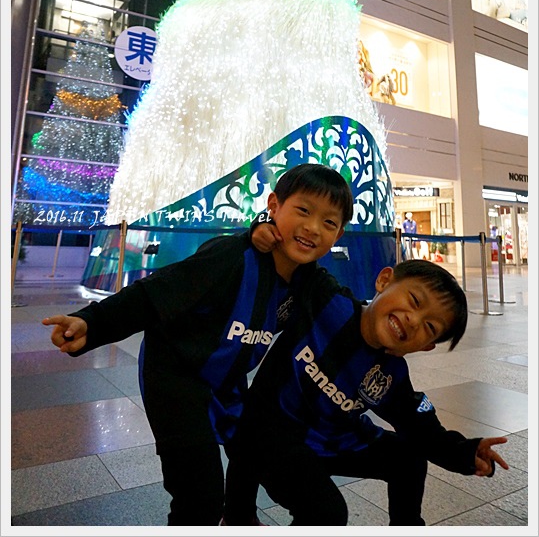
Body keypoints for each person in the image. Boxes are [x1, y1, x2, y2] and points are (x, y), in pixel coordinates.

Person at [42, 163, 353, 526]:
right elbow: (157, 293)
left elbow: (350, 313)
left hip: (228, 385)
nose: (313, 228)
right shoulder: (232, 256)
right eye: (303, 210)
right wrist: (92, 323)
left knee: (296, 484)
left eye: (329, 223)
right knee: (199, 497)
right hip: (175, 380)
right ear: (273, 205)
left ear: (339, 234)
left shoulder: (310, 283)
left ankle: (239, 518)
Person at [224, 251, 509, 526]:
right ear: (384, 280)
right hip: (270, 431)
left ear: (424, 346)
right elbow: (289, 257)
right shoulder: (325, 298)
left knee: (408, 458)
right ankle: (237, 517)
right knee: (326, 512)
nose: (414, 319)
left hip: (331, 439)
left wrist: (463, 452)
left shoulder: (390, 375)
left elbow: (420, 428)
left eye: (429, 327)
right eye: (414, 300)